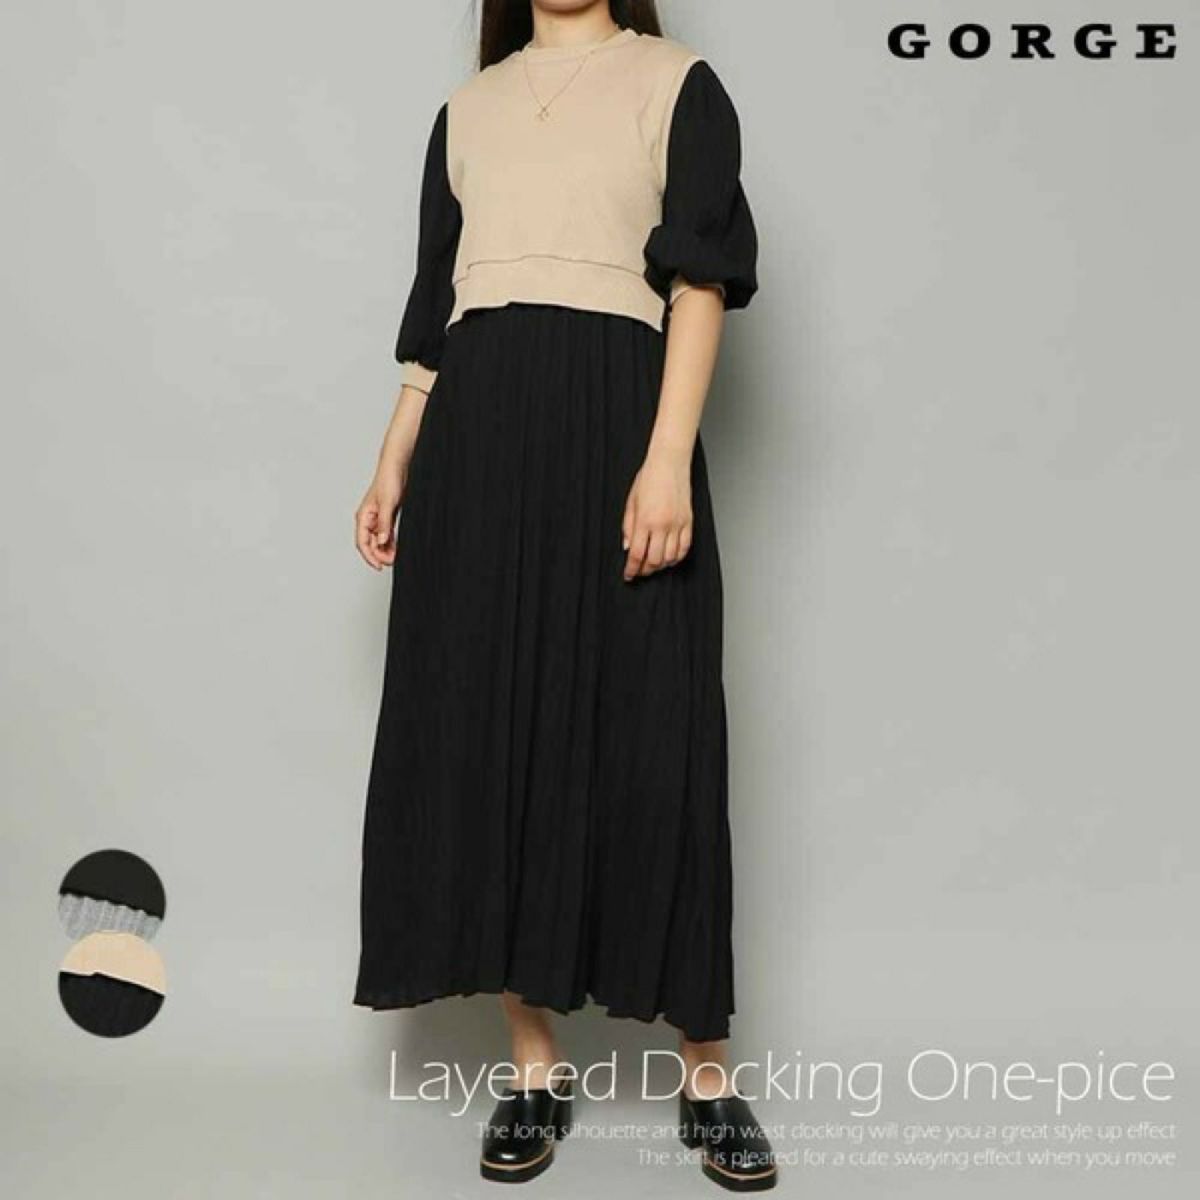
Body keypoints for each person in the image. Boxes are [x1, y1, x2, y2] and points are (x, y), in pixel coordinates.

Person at [353, 0, 774, 1189]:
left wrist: (665, 455)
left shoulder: (678, 82)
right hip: (476, 439)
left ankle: (708, 1078)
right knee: (493, 733)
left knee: (656, 738)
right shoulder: (468, 110)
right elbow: (438, 310)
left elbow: (700, 282)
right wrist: (392, 460)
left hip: (618, 418)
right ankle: (533, 1069)